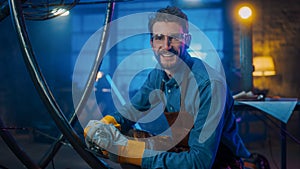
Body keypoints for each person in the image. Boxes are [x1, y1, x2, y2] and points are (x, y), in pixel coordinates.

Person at [84, 6, 250, 169]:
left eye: (175, 37)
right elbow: (130, 112)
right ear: (152, 43)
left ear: (188, 40)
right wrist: (106, 123)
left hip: (217, 162)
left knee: (130, 151)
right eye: (159, 37)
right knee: (126, 137)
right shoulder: (159, 75)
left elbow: (200, 162)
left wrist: (133, 153)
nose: (167, 45)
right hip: (184, 151)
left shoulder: (209, 85)